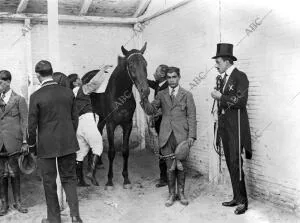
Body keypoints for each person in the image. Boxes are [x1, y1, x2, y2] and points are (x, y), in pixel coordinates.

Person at [27, 60, 82, 223]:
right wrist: (69, 135)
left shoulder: (36, 96)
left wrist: (31, 146)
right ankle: (75, 216)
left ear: (38, 76)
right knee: (70, 178)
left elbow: (31, 126)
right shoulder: (68, 92)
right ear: (52, 72)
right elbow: (75, 119)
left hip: (46, 145)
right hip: (68, 142)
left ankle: (54, 219)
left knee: (49, 182)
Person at [141, 67, 197, 207]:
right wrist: (144, 98)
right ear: (166, 78)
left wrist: (192, 136)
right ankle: (172, 194)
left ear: (179, 77)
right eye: (169, 77)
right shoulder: (161, 94)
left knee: (181, 166)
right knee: (170, 167)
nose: (171, 80)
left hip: (181, 136)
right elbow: (151, 110)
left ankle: (182, 194)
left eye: (174, 77)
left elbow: (191, 117)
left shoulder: (187, 95)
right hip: (165, 134)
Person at [211, 43, 252, 215]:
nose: (216, 65)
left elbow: (241, 101)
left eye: (218, 62)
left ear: (227, 62)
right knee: (230, 163)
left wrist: (221, 96)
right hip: (225, 128)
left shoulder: (240, 76)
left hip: (236, 128)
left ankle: (243, 201)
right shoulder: (222, 78)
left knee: (236, 163)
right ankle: (236, 196)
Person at [67, 66, 110, 187]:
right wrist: (102, 71)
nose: (81, 80)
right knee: (98, 146)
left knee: (81, 152)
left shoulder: (69, 94)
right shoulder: (82, 89)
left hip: (77, 125)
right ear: (75, 82)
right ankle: (91, 172)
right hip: (87, 121)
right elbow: (94, 83)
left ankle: (79, 181)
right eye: (79, 79)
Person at [0, 70, 28, 216]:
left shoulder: (19, 100)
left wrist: (24, 141)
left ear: (8, 82)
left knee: (14, 173)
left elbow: (25, 122)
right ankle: (4, 204)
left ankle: (18, 202)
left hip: (14, 143)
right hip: (0, 143)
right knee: (1, 175)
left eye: (0, 82)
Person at [147, 64, 169, 188]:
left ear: (161, 74)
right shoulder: (158, 85)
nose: (154, 74)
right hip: (159, 121)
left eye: (156, 71)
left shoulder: (167, 87)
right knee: (162, 148)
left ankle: (164, 178)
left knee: (164, 148)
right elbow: (148, 82)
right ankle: (164, 176)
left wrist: (156, 113)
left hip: (165, 123)